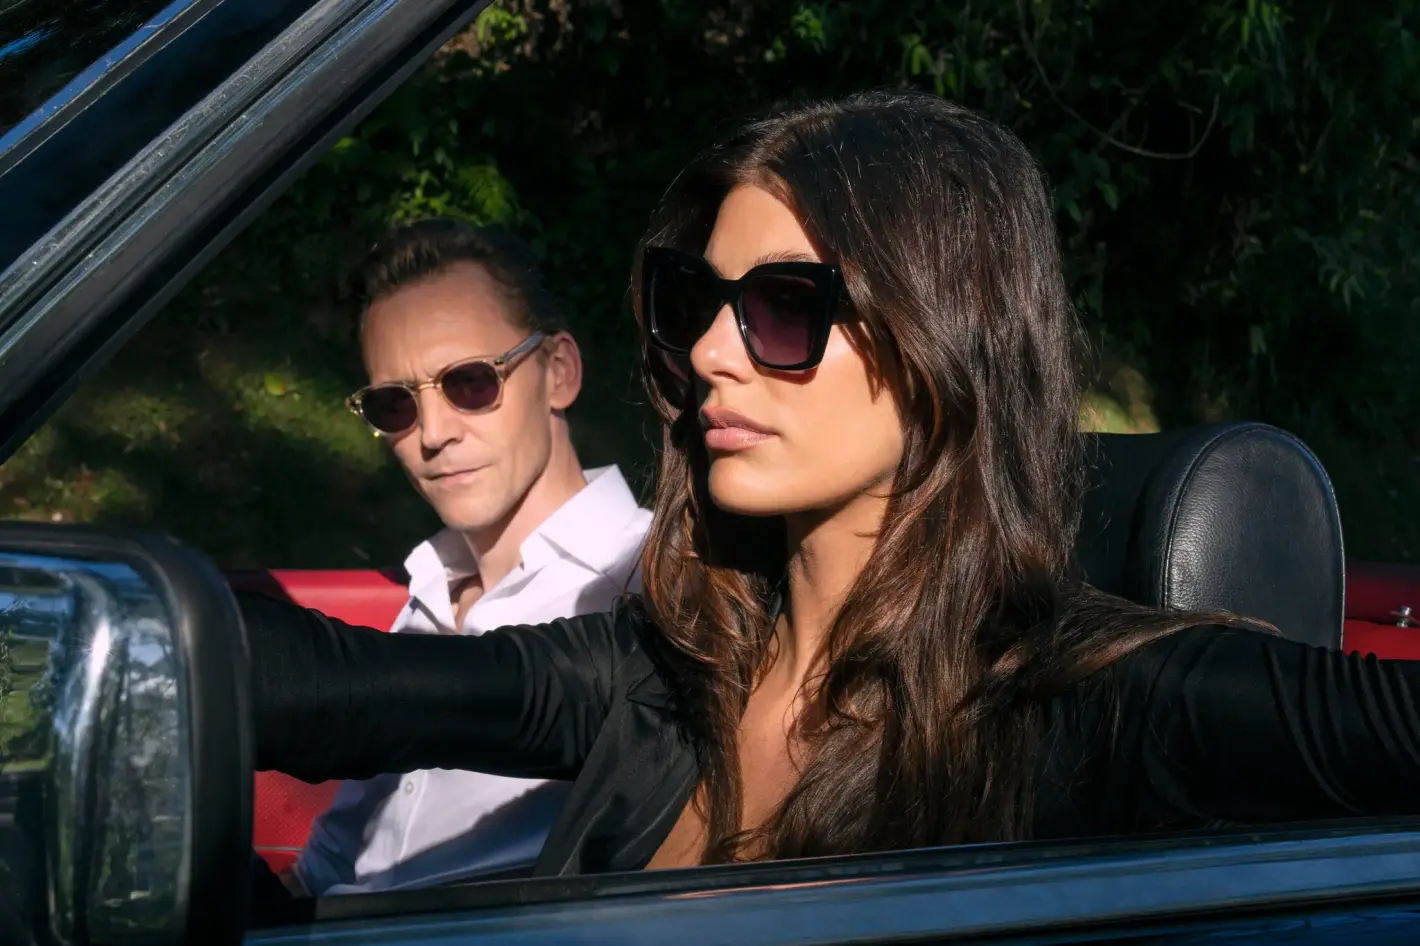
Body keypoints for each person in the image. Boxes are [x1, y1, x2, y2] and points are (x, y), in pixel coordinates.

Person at [240, 91, 1420, 884]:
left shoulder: (1102, 702)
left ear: (942, 334)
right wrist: (148, 629)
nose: (711, 352)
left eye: (783, 306)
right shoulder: (661, 674)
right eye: (695, 303)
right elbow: (343, 689)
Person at [286, 219, 651, 894]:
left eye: (471, 382)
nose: (432, 433)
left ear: (559, 373)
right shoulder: (426, 595)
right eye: (395, 403)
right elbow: (326, 865)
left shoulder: (654, 586)